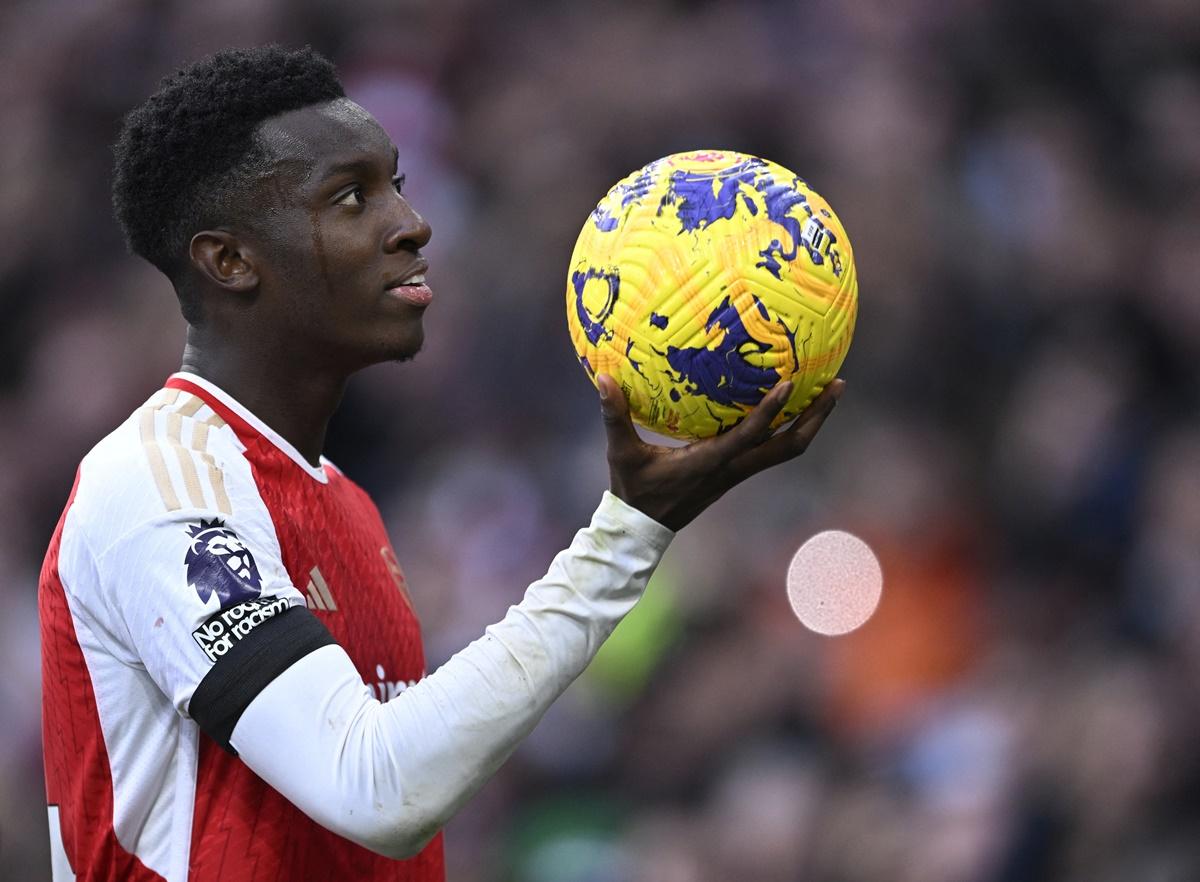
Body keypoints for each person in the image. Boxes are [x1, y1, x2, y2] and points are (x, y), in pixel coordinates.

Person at [38, 45, 844, 882]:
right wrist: (627, 535)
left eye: (399, 184)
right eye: (352, 197)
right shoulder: (160, 486)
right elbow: (374, 787)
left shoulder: (347, 505)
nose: (410, 224)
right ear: (231, 261)